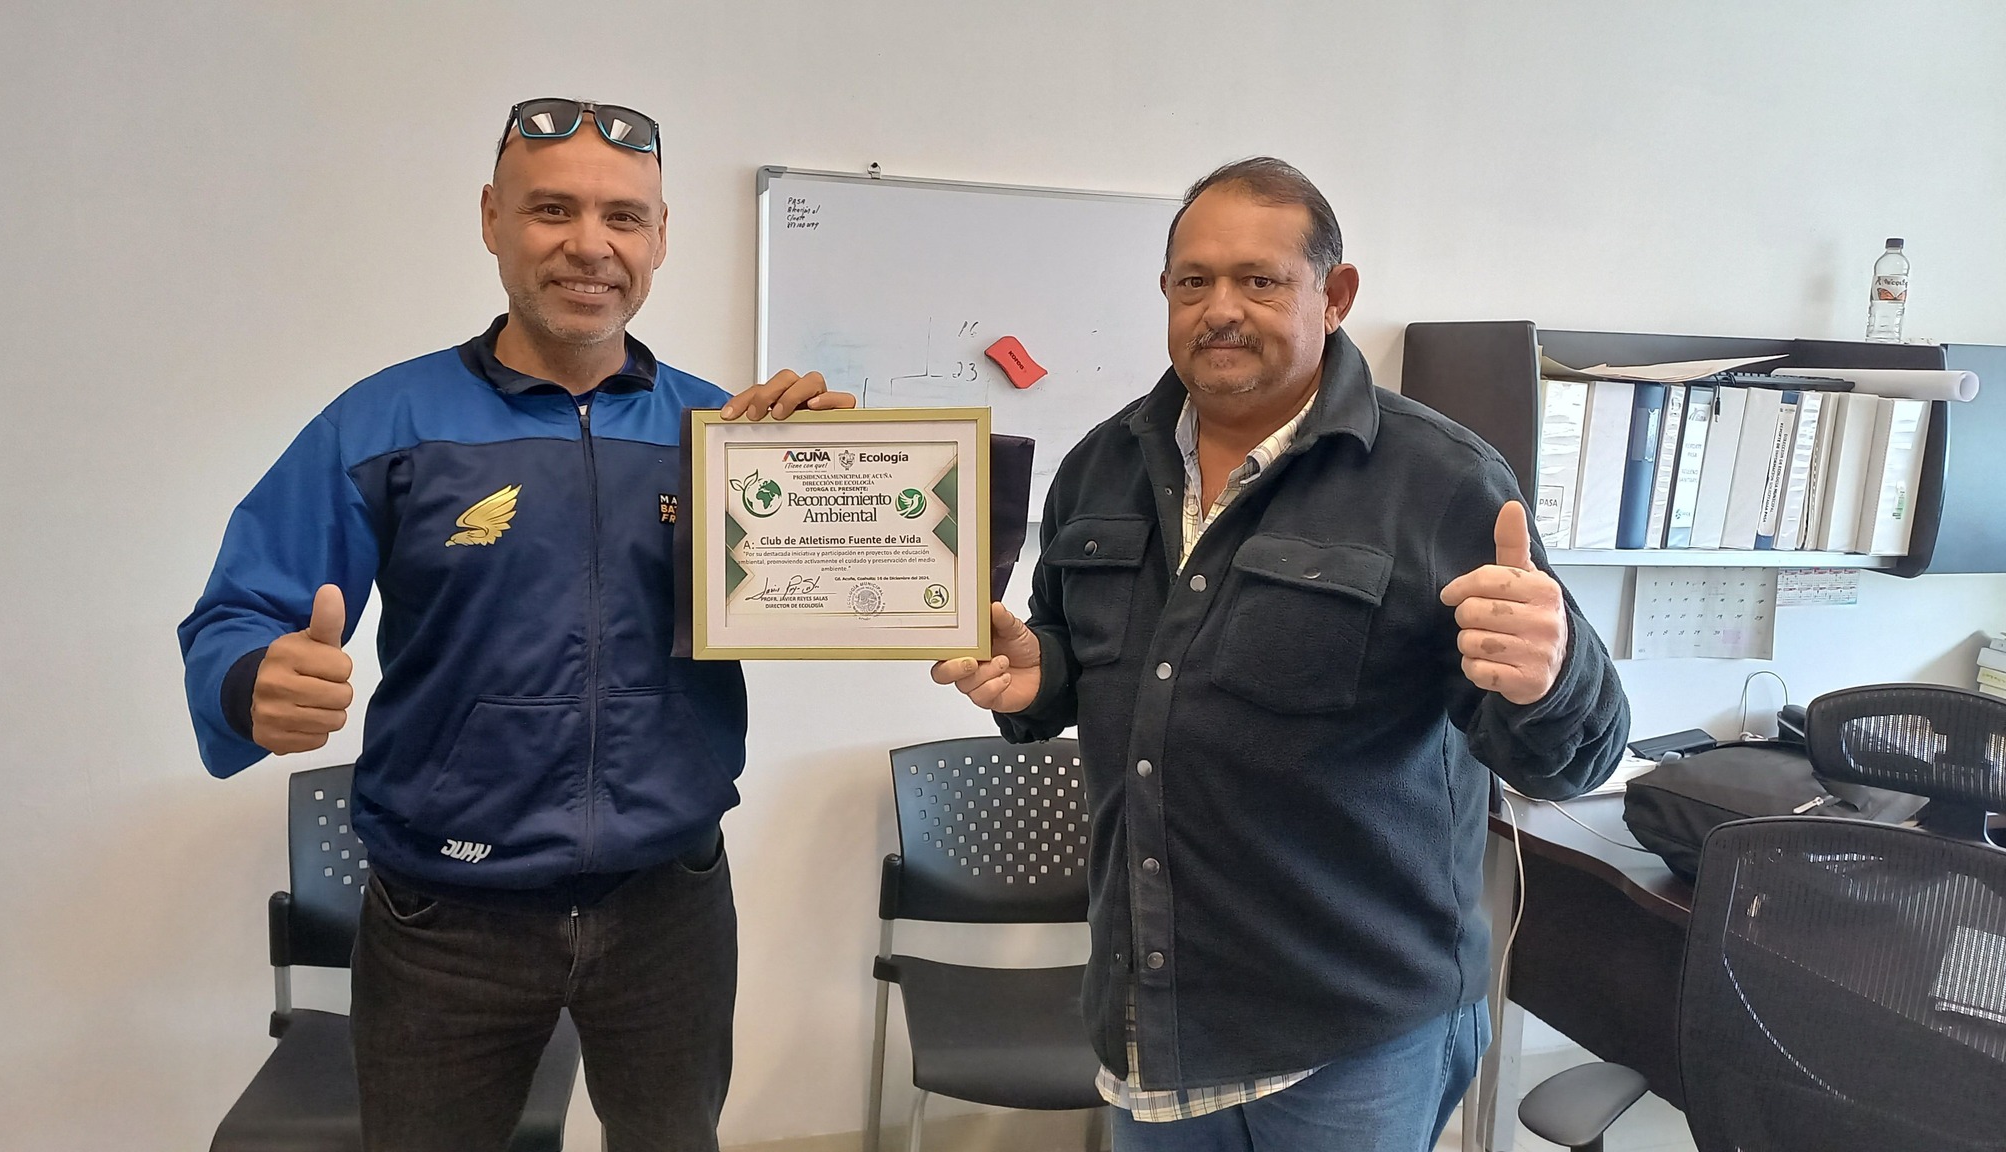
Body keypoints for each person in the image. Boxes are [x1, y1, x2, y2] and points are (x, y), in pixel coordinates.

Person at [179, 98, 852, 1152]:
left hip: (668, 908)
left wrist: (834, 483)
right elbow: (239, 612)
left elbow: (830, 594)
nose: (590, 244)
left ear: (660, 237)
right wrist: (245, 678)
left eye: (623, 217)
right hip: (445, 919)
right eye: (552, 209)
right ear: (492, 218)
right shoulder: (384, 424)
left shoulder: (720, 434)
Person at [931, 157, 1629, 1152]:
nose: (1219, 308)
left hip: (1351, 1033)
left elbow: (1571, 760)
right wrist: (1039, 672)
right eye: (1193, 281)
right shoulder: (1099, 466)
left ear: (1334, 296)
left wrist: (1552, 675)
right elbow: (1080, 656)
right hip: (1153, 1004)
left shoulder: (1439, 482)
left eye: (1258, 280)